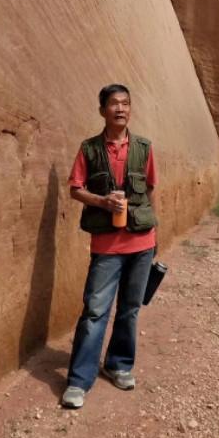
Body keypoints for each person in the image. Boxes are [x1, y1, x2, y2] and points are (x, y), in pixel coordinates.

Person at [62, 84, 158, 409]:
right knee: (95, 311)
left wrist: (153, 235)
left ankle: (119, 365)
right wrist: (102, 202)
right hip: (107, 245)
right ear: (102, 110)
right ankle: (78, 380)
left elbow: (151, 190)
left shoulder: (144, 147)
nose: (121, 109)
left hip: (142, 243)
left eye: (126, 103)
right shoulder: (89, 149)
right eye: (114, 103)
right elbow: (75, 188)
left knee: (130, 310)